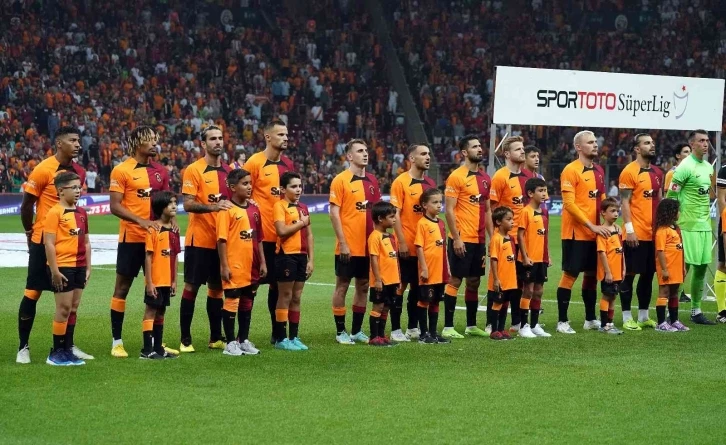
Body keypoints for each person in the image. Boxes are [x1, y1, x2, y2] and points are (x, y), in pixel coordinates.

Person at [17, 126, 88, 364]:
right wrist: (30, 232)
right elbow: (27, 205)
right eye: (72, 140)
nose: (78, 145)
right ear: (59, 143)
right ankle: (23, 347)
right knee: (33, 292)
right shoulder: (43, 169)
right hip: (42, 240)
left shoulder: (79, 171)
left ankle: (67, 346)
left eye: (78, 140)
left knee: (72, 299)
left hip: (68, 243)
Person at [108, 126, 173, 358]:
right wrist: (141, 221)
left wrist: (172, 224)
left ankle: (156, 343)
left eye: (156, 139)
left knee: (159, 288)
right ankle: (117, 341)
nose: (155, 144)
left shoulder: (161, 171)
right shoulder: (121, 170)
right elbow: (114, 206)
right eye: (150, 140)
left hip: (157, 239)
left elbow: (167, 203)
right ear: (137, 143)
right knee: (122, 288)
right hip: (132, 238)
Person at [180, 125, 234, 351]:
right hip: (199, 240)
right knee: (191, 287)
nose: (218, 142)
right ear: (203, 144)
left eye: (220, 138)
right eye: (212, 139)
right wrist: (214, 207)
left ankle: (215, 337)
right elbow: (187, 204)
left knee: (217, 289)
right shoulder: (194, 170)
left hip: (222, 241)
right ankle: (185, 340)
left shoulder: (230, 171)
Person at [244, 120, 295, 343]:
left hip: (282, 236)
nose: (286, 138)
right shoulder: (254, 162)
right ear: (268, 137)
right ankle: (243, 336)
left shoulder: (288, 164)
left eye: (287, 134)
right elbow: (241, 192)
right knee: (252, 284)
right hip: (260, 236)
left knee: (278, 285)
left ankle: (277, 334)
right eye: (281, 134)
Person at [556, 130, 610, 334]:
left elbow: (602, 199)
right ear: (578, 147)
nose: (595, 145)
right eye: (590, 142)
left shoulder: (599, 170)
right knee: (570, 274)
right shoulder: (570, 170)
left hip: (595, 232)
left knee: (591, 275)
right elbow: (569, 204)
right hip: (575, 233)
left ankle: (590, 319)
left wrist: (606, 221)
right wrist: (591, 225)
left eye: (595, 141)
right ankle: (562, 321)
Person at [329, 139, 382, 344]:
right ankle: (340, 331)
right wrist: (343, 242)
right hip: (348, 245)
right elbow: (334, 213)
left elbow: (378, 213)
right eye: (360, 151)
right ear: (350, 156)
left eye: (366, 150)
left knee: (364, 286)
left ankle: (356, 331)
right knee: (342, 285)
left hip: (368, 246)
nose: (365, 154)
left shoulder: (373, 180)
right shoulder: (340, 180)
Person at [443, 135, 493, 339]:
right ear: (464, 152)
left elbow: (487, 210)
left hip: (479, 240)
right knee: (455, 279)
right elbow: (449, 210)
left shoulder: (485, 178)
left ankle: (471, 325)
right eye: (475, 146)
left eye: (480, 146)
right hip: (462, 238)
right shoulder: (456, 177)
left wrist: (493, 238)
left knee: (474, 281)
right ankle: (448, 326)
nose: (480, 149)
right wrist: (456, 238)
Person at [666, 129, 716, 325]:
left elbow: (707, 193)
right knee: (681, 269)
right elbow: (671, 195)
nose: (705, 144)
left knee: (701, 269)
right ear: (692, 144)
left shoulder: (708, 167)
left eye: (707, 140)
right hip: (686, 226)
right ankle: (671, 311)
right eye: (701, 140)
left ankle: (696, 310)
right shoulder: (684, 167)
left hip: (704, 225)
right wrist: (676, 219)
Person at [389, 143, 436, 341]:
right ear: (412, 158)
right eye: (423, 154)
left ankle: (412, 327)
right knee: (400, 287)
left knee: (418, 288)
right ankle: (395, 329)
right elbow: (395, 215)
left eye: (428, 154)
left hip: (424, 248)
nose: (427, 157)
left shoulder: (430, 183)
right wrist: (401, 242)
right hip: (406, 244)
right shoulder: (400, 182)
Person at [43, 172, 91, 366]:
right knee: (63, 309)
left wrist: (88, 267)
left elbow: (86, 242)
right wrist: (54, 271)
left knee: (73, 308)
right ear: (61, 190)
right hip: (63, 266)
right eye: (74, 187)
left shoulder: (82, 213)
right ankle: (56, 352)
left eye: (80, 187)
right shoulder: (54, 212)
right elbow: (49, 244)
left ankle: (67, 349)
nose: (78, 191)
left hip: (79, 266)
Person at [217, 169, 265, 356]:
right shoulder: (226, 210)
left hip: (252, 264)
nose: (249, 187)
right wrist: (224, 265)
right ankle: (230, 343)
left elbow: (259, 238)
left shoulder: (254, 209)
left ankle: (243, 340)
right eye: (245, 183)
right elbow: (221, 240)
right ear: (232, 187)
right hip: (234, 263)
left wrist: (262, 262)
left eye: (250, 183)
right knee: (232, 299)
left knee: (247, 301)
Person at [618, 133, 663, 330]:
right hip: (635, 233)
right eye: (646, 143)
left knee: (648, 275)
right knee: (629, 275)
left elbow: (660, 201)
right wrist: (629, 230)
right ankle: (627, 316)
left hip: (654, 234)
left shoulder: (658, 172)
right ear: (637, 149)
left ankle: (643, 316)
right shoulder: (629, 171)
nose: (651, 145)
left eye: (652, 142)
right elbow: (624, 203)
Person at [489, 136, 533, 333]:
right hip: (507, 240)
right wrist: (495, 237)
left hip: (525, 239)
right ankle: (492, 324)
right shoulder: (500, 177)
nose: (522, 151)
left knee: (519, 283)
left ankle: (517, 323)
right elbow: (491, 209)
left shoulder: (528, 177)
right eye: (517, 149)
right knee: (501, 282)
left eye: (523, 148)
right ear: (506, 154)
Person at [272, 172, 314, 351]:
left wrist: (311, 260)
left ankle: (294, 337)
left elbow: (309, 235)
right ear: (283, 189)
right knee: (286, 296)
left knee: (297, 297)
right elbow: (281, 231)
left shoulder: (304, 207)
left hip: (301, 256)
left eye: (299, 186)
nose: (298, 190)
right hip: (286, 255)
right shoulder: (279, 206)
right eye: (293, 186)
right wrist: (301, 223)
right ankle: (281, 339)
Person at [141, 191, 180, 359]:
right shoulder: (153, 229)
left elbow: (175, 256)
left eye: (175, 202)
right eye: (170, 203)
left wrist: (174, 281)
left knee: (161, 311)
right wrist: (149, 283)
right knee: (151, 310)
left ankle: (158, 348)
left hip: (167, 280)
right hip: (156, 280)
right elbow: (148, 257)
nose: (174, 206)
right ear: (160, 207)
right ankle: (146, 350)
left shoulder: (175, 230)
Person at [414, 188, 450, 344]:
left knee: (435, 301)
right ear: (424, 205)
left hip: (440, 270)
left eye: (440, 202)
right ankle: (423, 334)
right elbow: (419, 247)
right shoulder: (422, 223)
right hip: (428, 270)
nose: (439, 205)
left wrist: (447, 267)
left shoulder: (441, 223)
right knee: (424, 300)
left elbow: (444, 247)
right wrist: (424, 268)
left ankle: (434, 333)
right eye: (435, 202)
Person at [516, 178, 551, 337]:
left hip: (541, 258)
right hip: (529, 258)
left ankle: (535, 325)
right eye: (540, 191)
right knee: (528, 290)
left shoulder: (544, 212)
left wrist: (548, 256)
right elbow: (520, 236)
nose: (544, 194)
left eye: (545, 190)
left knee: (538, 291)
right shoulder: (525, 212)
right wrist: (524, 256)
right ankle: (523, 326)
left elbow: (545, 236)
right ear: (530, 193)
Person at [654, 198, 690, 331]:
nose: (679, 213)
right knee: (664, 292)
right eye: (677, 210)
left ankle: (674, 320)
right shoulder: (662, 230)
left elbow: (681, 248)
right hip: (666, 267)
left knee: (674, 292)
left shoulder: (676, 228)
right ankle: (661, 323)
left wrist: (683, 266)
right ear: (670, 212)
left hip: (677, 267)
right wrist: (664, 269)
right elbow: (660, 251)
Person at [367, 201, 400, 346]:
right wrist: (378, 279)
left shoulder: (391, 236)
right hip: (381, 280)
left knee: (386, 306)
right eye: (391, 217)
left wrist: (398, 278)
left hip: (392, 279)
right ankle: (373, 337)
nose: (395, 219)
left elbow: (394, 259)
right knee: (378, 307)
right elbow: (373, 259)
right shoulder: (375, 236)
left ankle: (381, 335)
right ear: (380, 218)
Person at [664, 142, 693, 303]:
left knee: (687, 258)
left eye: (690, 151)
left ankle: (679, 289)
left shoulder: (691, 172)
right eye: (686, 152)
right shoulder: (672, 173)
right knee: (677, 257)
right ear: (678, 155)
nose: (689, 154)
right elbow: (668, 198)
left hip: (689, 220)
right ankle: (672, 289)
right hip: (678, 221)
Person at [487, 206, 517, 341]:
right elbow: (494, 259)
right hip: (500, 279)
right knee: (497, 304)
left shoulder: (511, 238)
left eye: (512, 219)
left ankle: (501, 329)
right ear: (498, 222)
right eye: (508, 219)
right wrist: (496, 279)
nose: (512, 222)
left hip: (510, 279)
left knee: (505, 304)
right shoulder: (496, 239)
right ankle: (494, 330)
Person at [596, 198, 625, 335]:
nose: (616, 214)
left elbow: (621, 250)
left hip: (618, 271)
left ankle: (610, 323)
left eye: (617, 211)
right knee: (607, 296)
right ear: (603, 213)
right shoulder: (603, 232)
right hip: (608, 272)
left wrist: (624, 268)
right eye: (612, 211)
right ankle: (604, 325)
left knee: (613, 297)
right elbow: (602, 253)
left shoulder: (617, 229)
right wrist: (607, 272)